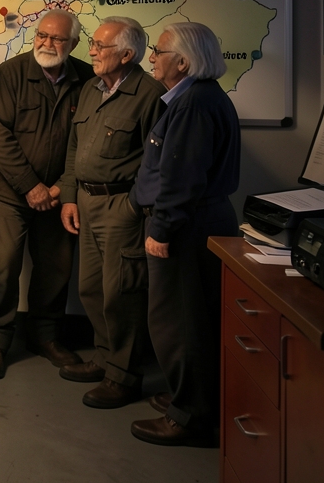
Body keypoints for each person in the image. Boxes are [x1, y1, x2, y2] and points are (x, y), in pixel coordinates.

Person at [129, 22, 240, 446]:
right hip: (197, 221)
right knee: (191, 318)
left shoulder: (193, 103)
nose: (152, 58)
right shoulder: (198, 98)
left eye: (159, 51)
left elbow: (181, 178)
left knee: (180, 322)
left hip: (185, 227)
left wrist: (161, 228)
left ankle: (190, 416)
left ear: (183, 61)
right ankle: (190, 397)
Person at [0, 9, 94, 379]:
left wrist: (63, 186)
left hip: (59, 195)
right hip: (9, 192)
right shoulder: (10, 73)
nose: (46, 43)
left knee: (57, 267)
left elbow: (85, 142)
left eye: (57, 38)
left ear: (73, 43)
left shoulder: (86, 78)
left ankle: (45, 337)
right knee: (3, 263)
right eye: (42, 35)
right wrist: (31, 186)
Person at [58, 17, 165, 408]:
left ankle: (124, 376)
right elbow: (74, 146)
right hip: (86, 201)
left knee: (122, 294)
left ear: (127, 54)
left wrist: (136, 206)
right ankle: (104, 359)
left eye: (100, 46)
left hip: (123, 206)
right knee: (90, 287)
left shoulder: (150, 94)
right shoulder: (90, 88)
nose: (91, 51)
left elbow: (158, 163)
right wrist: (70, 195)